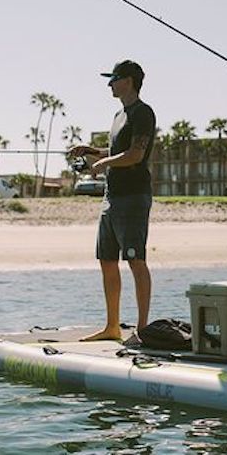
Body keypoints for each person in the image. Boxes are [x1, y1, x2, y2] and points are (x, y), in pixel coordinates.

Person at [69, 59, 156, 342]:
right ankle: (112, 327)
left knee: (135, 261)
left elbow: (135, 155)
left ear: (128, 81)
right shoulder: (119, 115)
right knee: (107, 261)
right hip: (112, 198)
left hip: (133, 198)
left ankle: (142, 330)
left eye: (114, 78)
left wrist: (101, 164)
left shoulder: (143, 113)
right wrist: (92, 151)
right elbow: (118, 149)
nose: (109, 84)